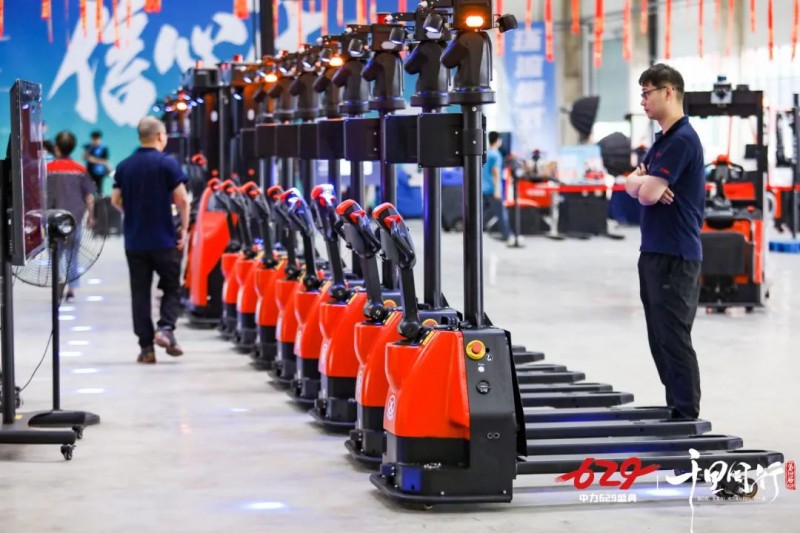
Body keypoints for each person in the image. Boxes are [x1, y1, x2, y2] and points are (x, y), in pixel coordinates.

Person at [624, 64, 705, 420]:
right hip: (654, 251)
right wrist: (643, 182)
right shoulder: (662, 142)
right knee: (658, 337)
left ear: (669, 92)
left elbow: (644, 194)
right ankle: (675, 405)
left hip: (676, 254)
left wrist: (643, 184)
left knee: (673, 336)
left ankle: (686, 412)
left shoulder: (683, 140)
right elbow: (633, 185)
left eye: (647, 93)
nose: (643, 101)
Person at [112, 117, 190, 364]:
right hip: (164, 239)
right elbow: (182, 199)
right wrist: (184, 228)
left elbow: (115, 200)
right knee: (172, 286)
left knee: (140, 293)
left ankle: (146, 348)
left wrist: (132, 213)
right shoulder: (167, 163)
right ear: (159, 136)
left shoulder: (124, 166)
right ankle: (165, 328)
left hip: (135, 242)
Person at [46, 131, 96, 302]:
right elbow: (89, 197)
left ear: (57, 148)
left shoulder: (48, 169)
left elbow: (42, 196)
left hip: (53, 221)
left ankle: (57, 281)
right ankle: (71, 291)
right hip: (75, 220)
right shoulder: (80, 169)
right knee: (73, 255)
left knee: (55, 254)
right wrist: (90, 216)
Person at [482, 132, 515, 246]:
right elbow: (496, 172)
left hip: (484, 188)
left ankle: (471, 234)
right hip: (492, 189)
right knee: (501, 214)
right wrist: (497, 190)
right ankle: (508, 236)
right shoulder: (496, 155)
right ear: (497, 140)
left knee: (483, 214)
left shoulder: (485, 153)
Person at [83, 130, 110, 194]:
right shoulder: (89, 147)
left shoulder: (104, 148)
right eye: (93, 139)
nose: (95, 141)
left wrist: (94, 160)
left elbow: (105, 161)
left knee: (99, 190)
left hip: (99, 172)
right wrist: (86, 153)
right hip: (90, 172)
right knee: (89, 190)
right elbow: (84, 157)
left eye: (96, 139)